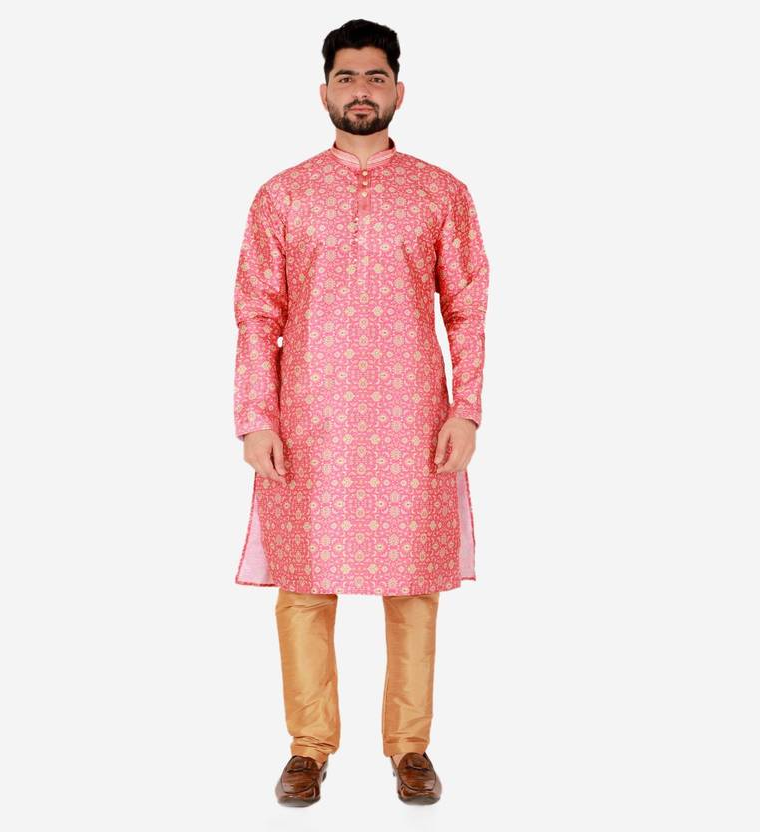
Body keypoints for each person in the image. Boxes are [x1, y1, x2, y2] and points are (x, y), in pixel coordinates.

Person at [232, 18, 490, 806]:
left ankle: (410, 748)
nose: (361, 91)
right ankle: (308, 749)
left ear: (398, 91)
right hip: (309, 421)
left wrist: (466, 408)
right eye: (346, 78)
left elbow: (468, 309)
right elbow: (257, 313)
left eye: (375, 77)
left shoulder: (441, 193)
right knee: (305, 587)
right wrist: (256, 417)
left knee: (412, 586)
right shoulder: (282, 195)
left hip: (413, 418)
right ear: (324, 93)